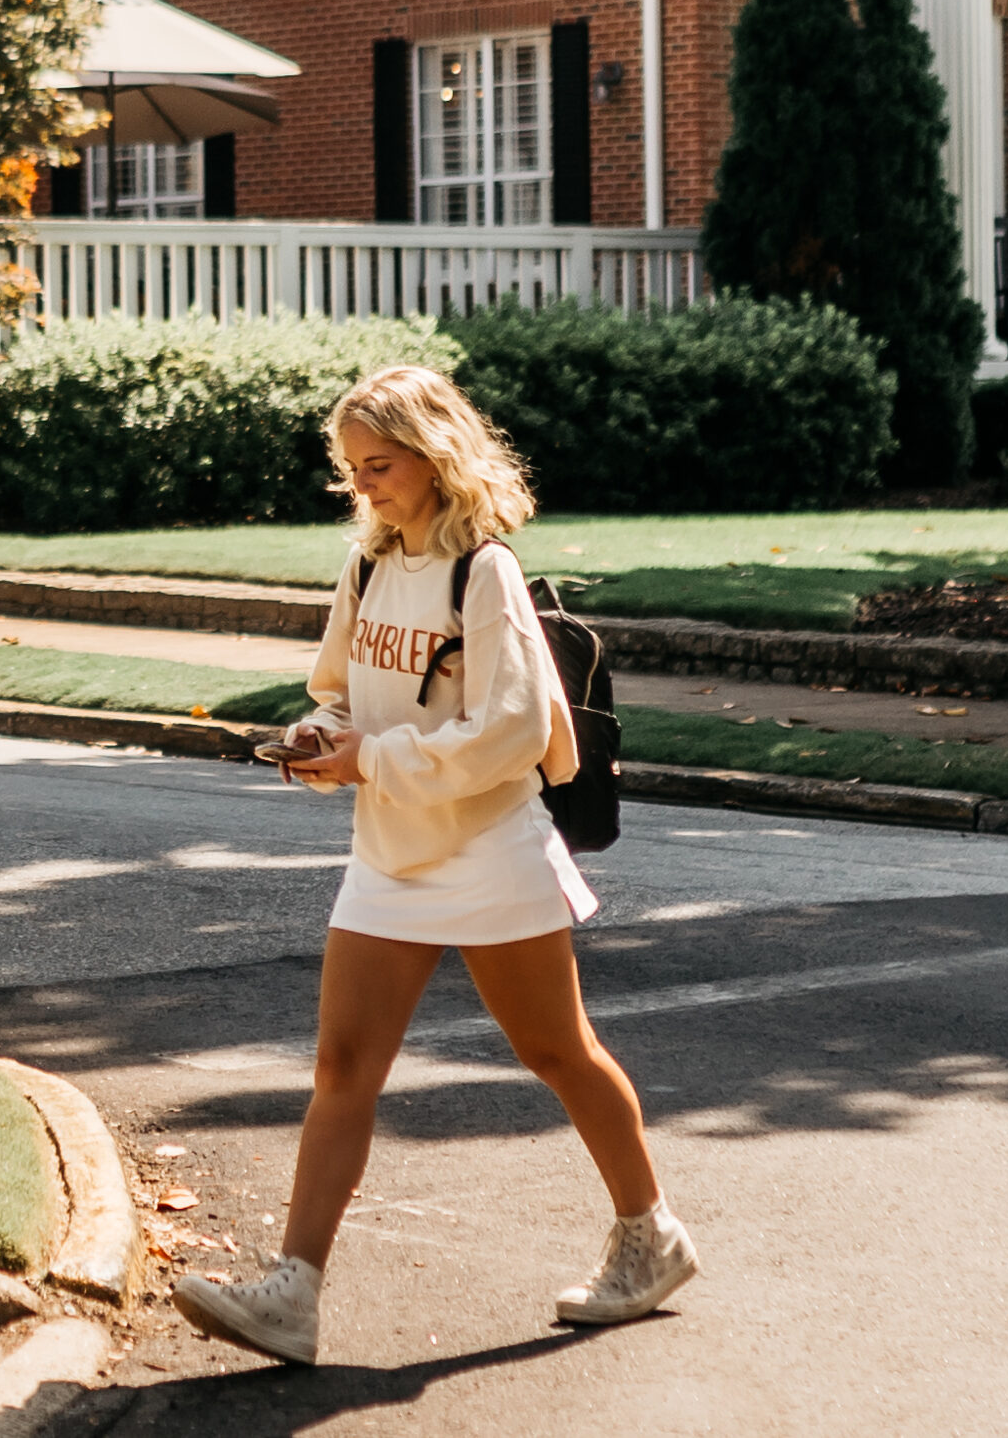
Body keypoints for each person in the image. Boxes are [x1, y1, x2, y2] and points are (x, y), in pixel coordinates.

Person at [170, 364, 696, 1366]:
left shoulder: (481, 571)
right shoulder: (368, 567)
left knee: (558, 1052)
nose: (362, 483)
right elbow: (338, 691)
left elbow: (512, 729)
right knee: (341, 1067)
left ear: (433, 455)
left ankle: (650, 1235)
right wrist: (318, 738)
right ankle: (293, 1293)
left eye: (380, 464)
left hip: (491, 846)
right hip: (389, 851)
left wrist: (372, 756)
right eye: (351, 467)